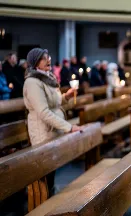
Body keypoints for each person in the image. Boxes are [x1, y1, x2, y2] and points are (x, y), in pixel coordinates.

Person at [23, 48, 81, 193]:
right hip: (43, 131)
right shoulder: (32, 82)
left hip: (53, 130)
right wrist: (69, 127)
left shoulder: (47, 78)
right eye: (44, 58)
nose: (48, 60)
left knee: (52, 169)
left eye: (48, 57)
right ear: (35, 63)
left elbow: (54, 102)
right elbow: (43, 112)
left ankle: (50, 198)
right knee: (45, 172)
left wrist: (66, 96)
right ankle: (42, 207)